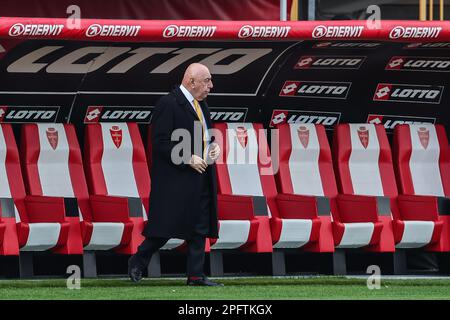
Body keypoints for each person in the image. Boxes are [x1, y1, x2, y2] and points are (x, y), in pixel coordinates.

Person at [128, 63, 223, 286]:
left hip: (200, 176)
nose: (211, 86)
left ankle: (195, 276)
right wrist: (187, 157)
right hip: (175, 180)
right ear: (191, 81)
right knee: (165, 228)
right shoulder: (168, 103)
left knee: (199, 228)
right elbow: (160, 143)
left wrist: (212, 146)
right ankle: (138, 260)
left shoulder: (202, 105)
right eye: (207, 81)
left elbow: (205, 136)